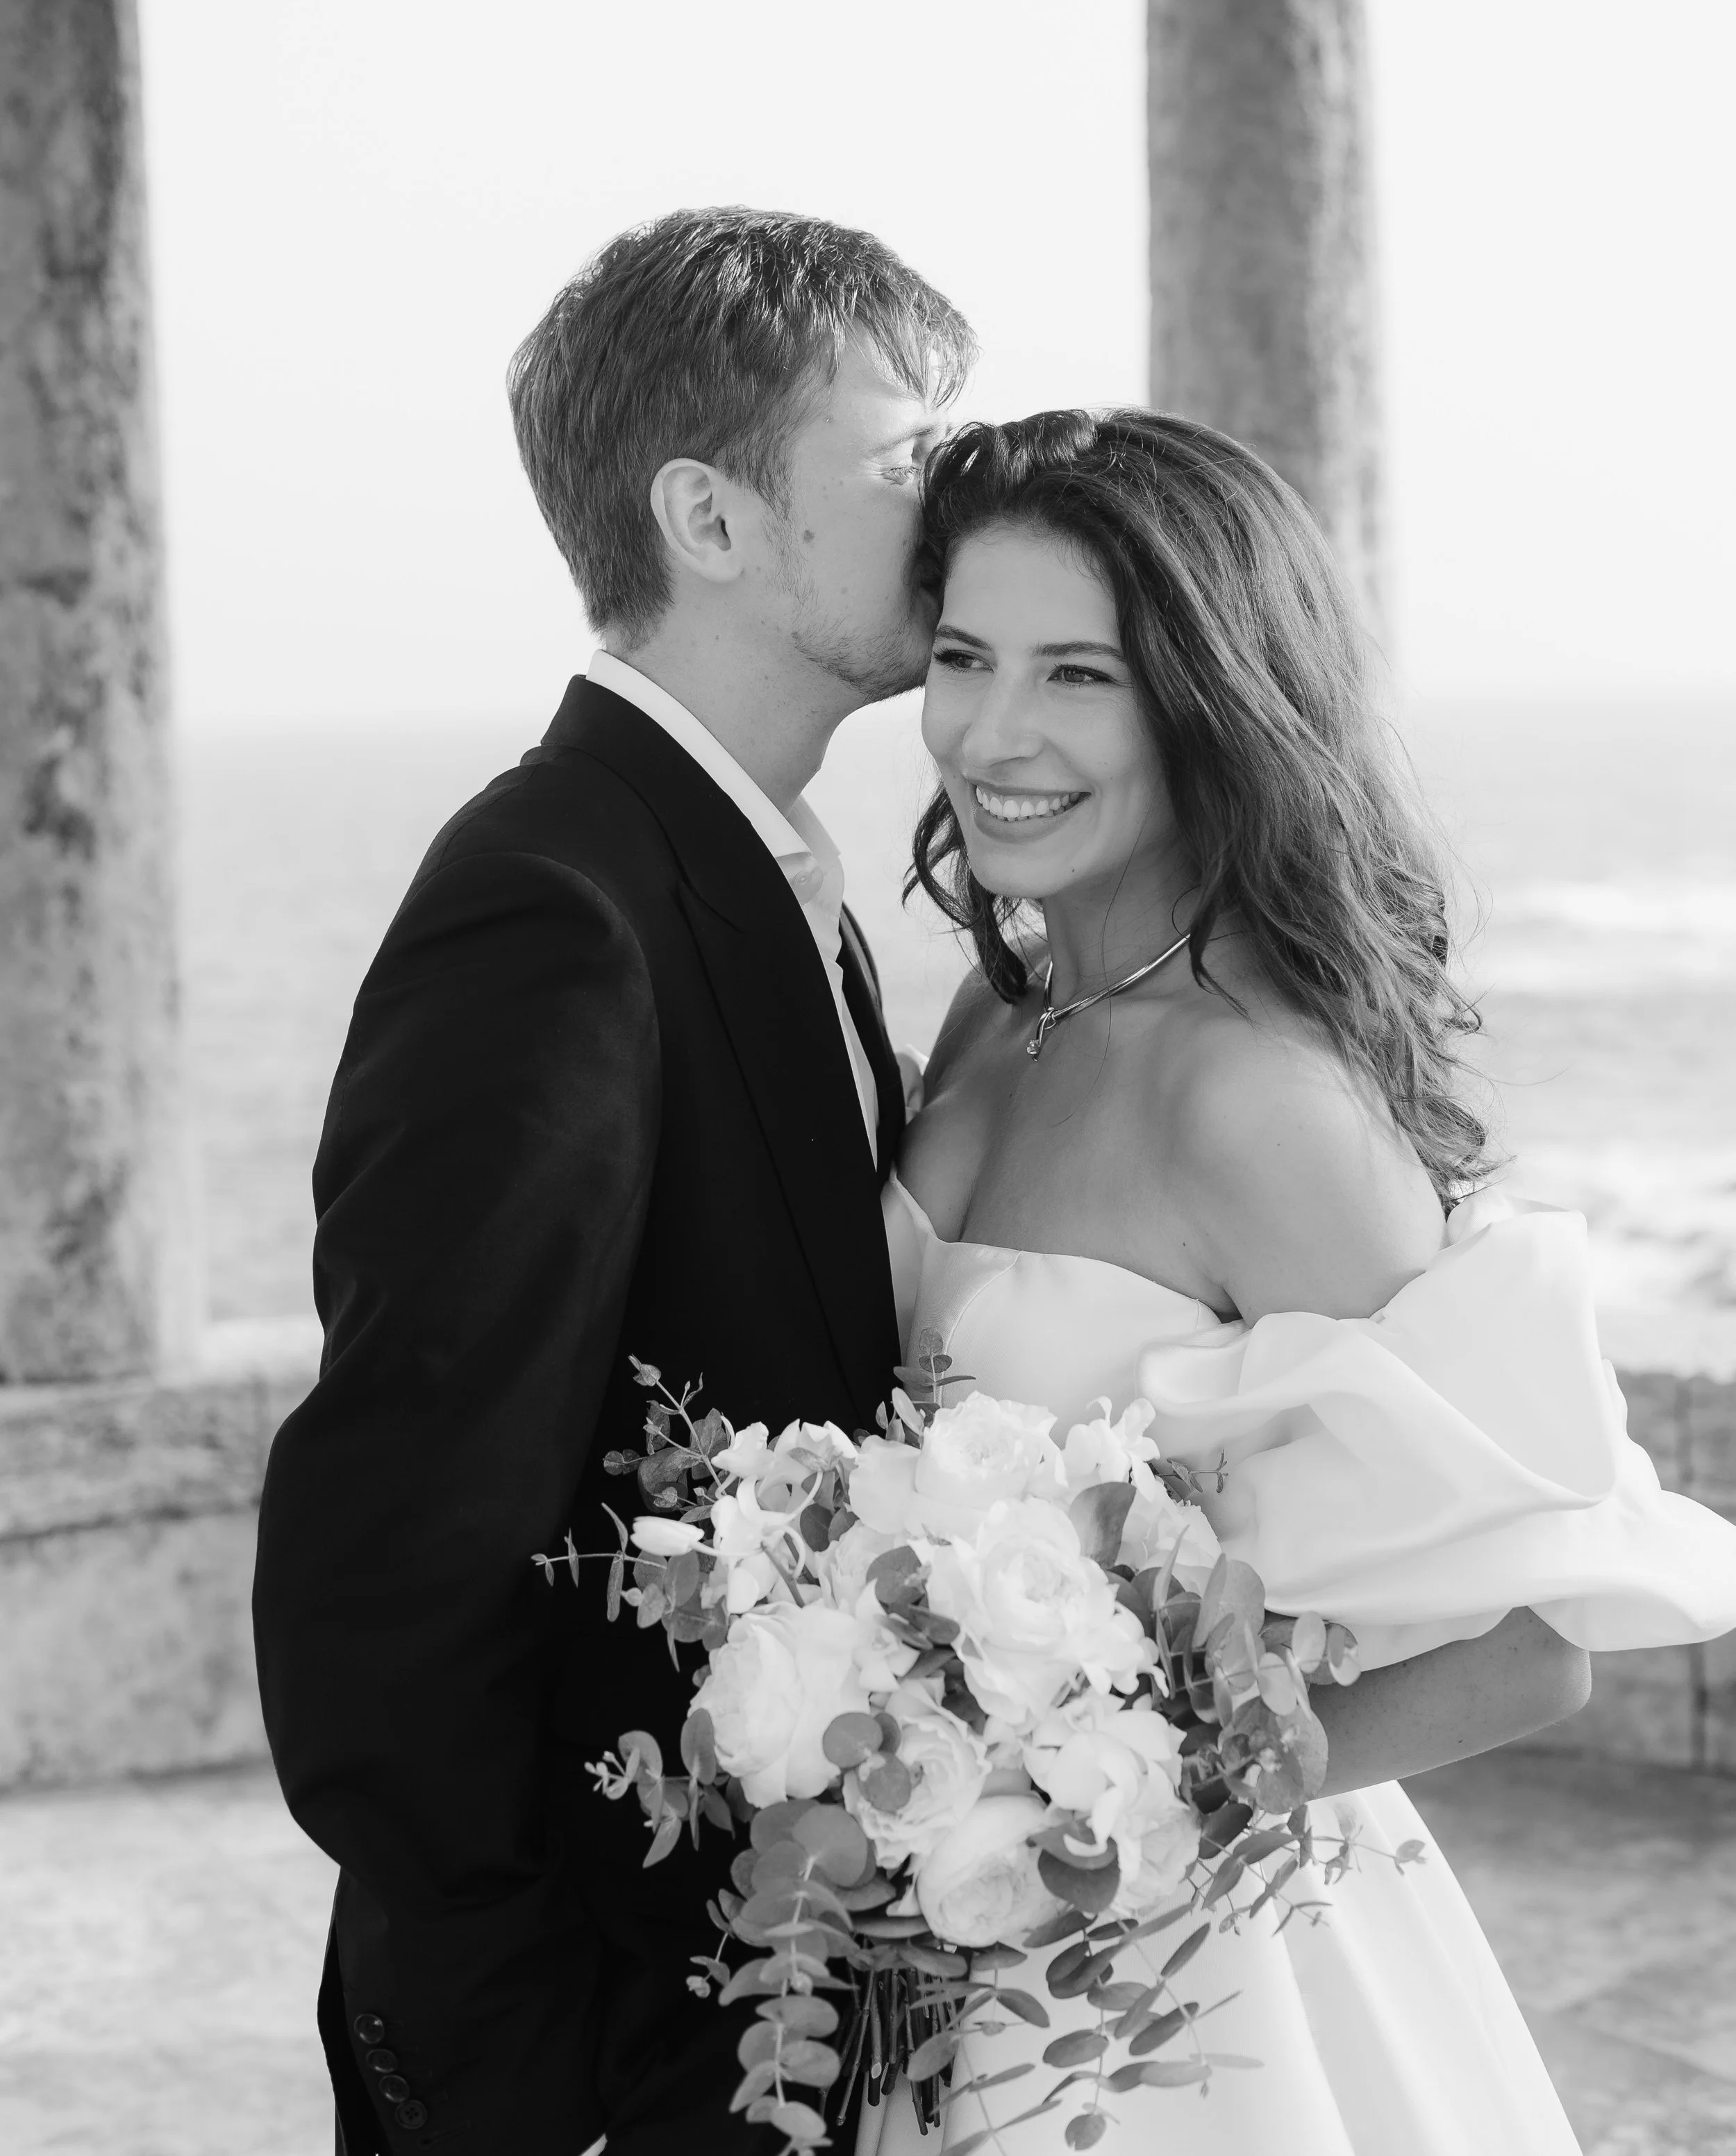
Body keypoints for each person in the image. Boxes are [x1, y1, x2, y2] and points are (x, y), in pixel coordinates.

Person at [863, 408, 1736, 2155]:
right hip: (935, 1930)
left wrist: (1124, 1803)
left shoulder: (1263, 1099)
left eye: (1077, 675)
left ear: (1209, 700)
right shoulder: (1001, 1008)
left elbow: (1524, 1648)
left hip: (1182, 1995)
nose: (992, 732)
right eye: (962, 657)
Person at [252, 208, 974, 2156]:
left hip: (780, 1980)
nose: (961, 495)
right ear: (711, 519)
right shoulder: (551, 901)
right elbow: (386, 1548)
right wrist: (519, 2073)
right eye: (906, 454)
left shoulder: (769, 872)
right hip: (607, 2042)